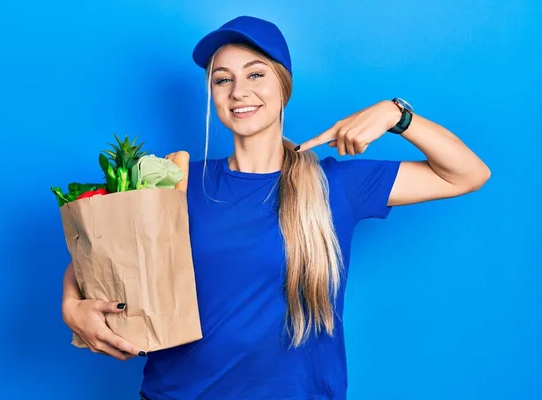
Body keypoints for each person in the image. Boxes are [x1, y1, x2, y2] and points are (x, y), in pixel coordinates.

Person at [61, 16, 491, 399]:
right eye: (222, 79)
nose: (239, 91)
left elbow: (467, 173)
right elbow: (102, 250)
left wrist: (397, 115)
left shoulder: (335, 184)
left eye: (255, 73)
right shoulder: (181, 179)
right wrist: (71, 305)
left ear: (283, 85)